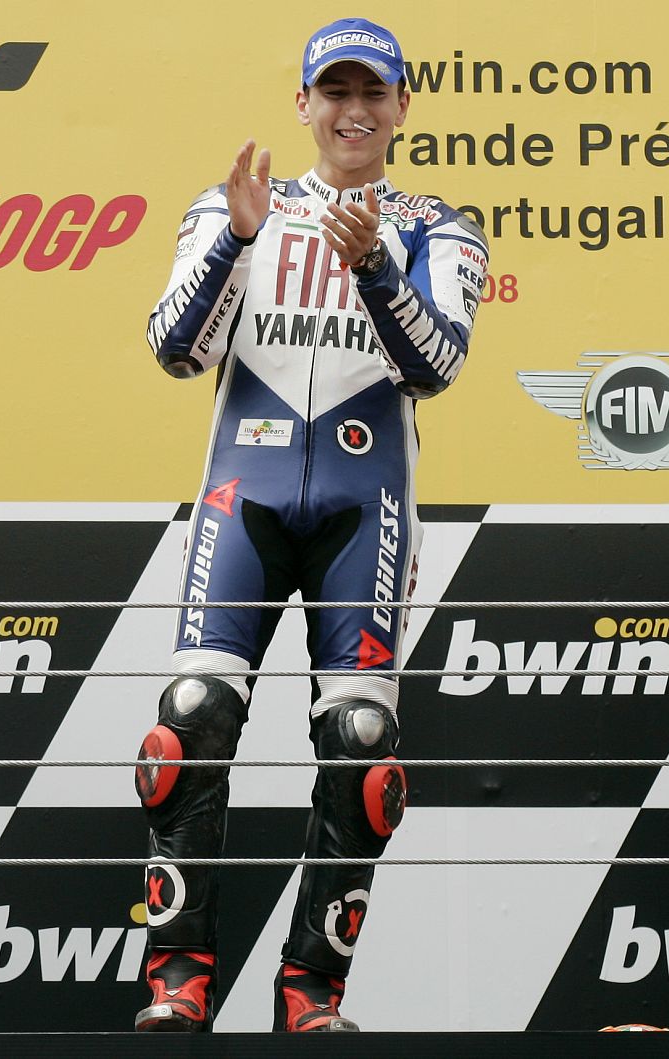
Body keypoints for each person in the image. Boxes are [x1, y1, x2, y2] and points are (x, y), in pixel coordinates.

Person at [134, 17, 487, 1033]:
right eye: (335, 92)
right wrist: (238, 242)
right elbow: (175, 349)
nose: (354, 111)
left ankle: (311, 993)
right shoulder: (234, 203)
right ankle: (177, 981)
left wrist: (376, 266)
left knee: (362, 745)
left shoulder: (439, 227)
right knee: (190, 719)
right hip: (240, 501)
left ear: (402, 107)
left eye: (373, 93)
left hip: (365, 508)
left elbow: (435, 366)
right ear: (303, 104)